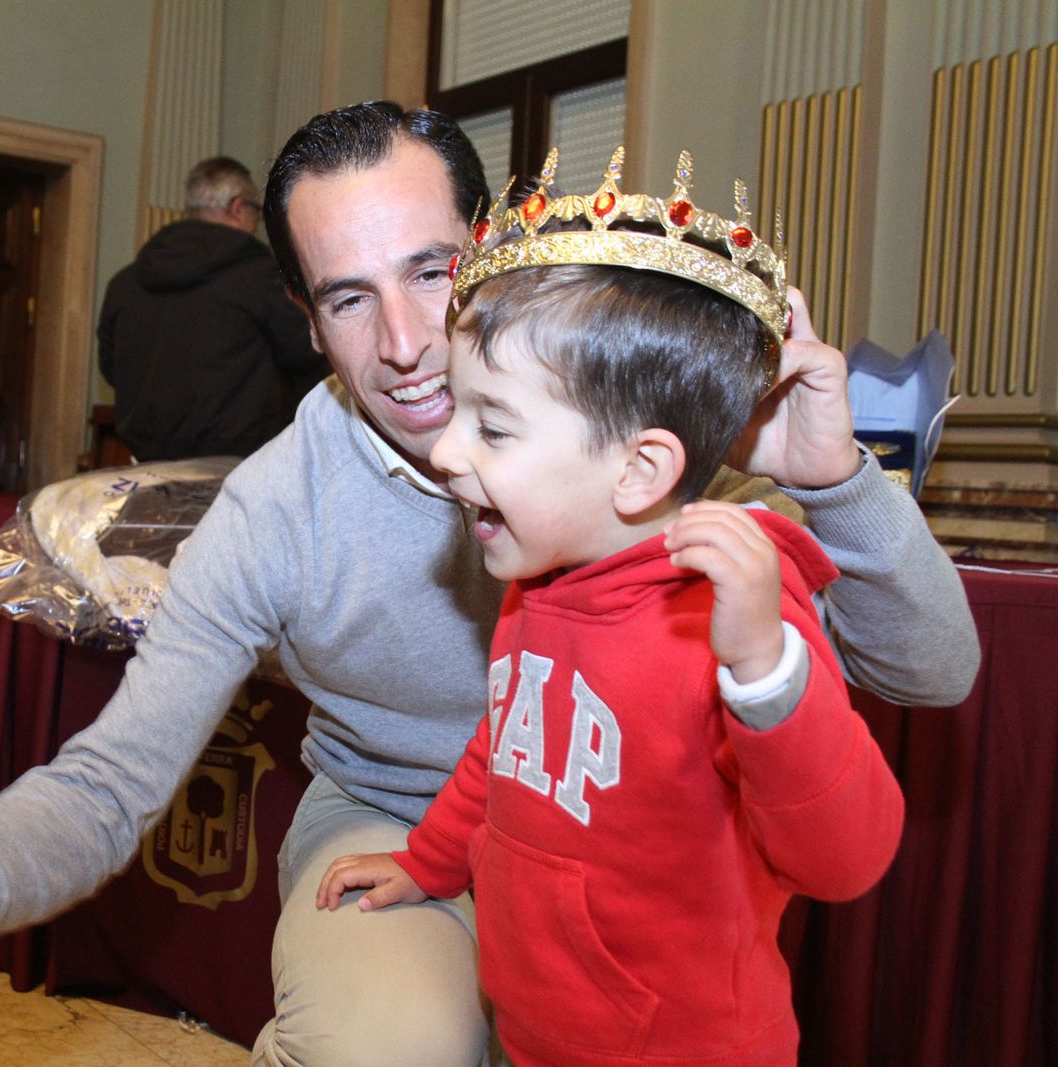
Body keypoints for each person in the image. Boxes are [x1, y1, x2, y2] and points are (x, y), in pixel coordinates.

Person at [0, 103, 975, 1067]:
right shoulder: (275, 507)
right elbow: (113, 776)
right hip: (401, 828)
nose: (404, 341)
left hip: (635, 859)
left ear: (494, 252)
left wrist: (832, 480)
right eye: (350, 297)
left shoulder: (643, 444)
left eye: (432, 271)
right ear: (304, 319)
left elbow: (930, 672)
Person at [315, 153, 905, 1065]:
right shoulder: (539, 582)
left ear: (640, 471)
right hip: (537, 1028)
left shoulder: (736, 611)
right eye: (460, 413)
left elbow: (846, 859)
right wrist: (427, 861)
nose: (446, 454)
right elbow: (504, 754)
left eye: (494, 425)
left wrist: (767, 676)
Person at [98, 156, 327, 460]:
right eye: (255, 213)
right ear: (237, 207)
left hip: (148, 467)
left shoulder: (124, 283)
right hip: (239, 470)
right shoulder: (260, 277)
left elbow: (111, 369)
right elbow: (309, 352)